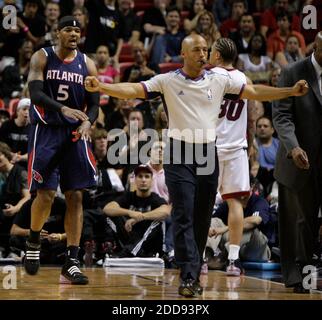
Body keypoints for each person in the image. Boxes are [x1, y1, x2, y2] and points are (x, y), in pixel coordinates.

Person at [85, 34, 308, 297]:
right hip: (179, 151)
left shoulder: (220, 78)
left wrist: (289, 91)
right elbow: (135, 89)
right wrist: (102, 87)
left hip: (207, 152)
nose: (203, 54)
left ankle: (194, 265)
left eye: (206, 49)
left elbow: (254, 91)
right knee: (182, 213)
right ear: (183, 53)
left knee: (202, 217)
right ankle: (189, 275)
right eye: (197, 50)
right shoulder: (168, 80)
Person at [24, 16, 99, 285]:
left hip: (75, 135)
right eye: (68, 29)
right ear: (58, 32)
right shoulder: (41, 57)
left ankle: (72, 261)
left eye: (78, 30)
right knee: (44, 195)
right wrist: (62, 108)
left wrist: (90, 121)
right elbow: (35, 94)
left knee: (76, 196)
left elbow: (95, 103)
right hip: (46, 130)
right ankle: (33, 242)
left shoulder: (88, 64)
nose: (74, 34)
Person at [272, 31, 322, 293]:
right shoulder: (292, 72)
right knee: (298, 223)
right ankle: (297, 278)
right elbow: (281, 116)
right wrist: (293, 148)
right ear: (317, 48)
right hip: (297, 158)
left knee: (312, 224)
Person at [209, 37, 256, 276]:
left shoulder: (208, 77)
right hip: (237, 148)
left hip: (211, 148)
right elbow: (253, 111)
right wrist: (253, 140)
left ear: (217, 55)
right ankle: (233, 261)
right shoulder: (245, 79)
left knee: (203, 203)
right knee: (234, 203)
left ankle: (200, 259)